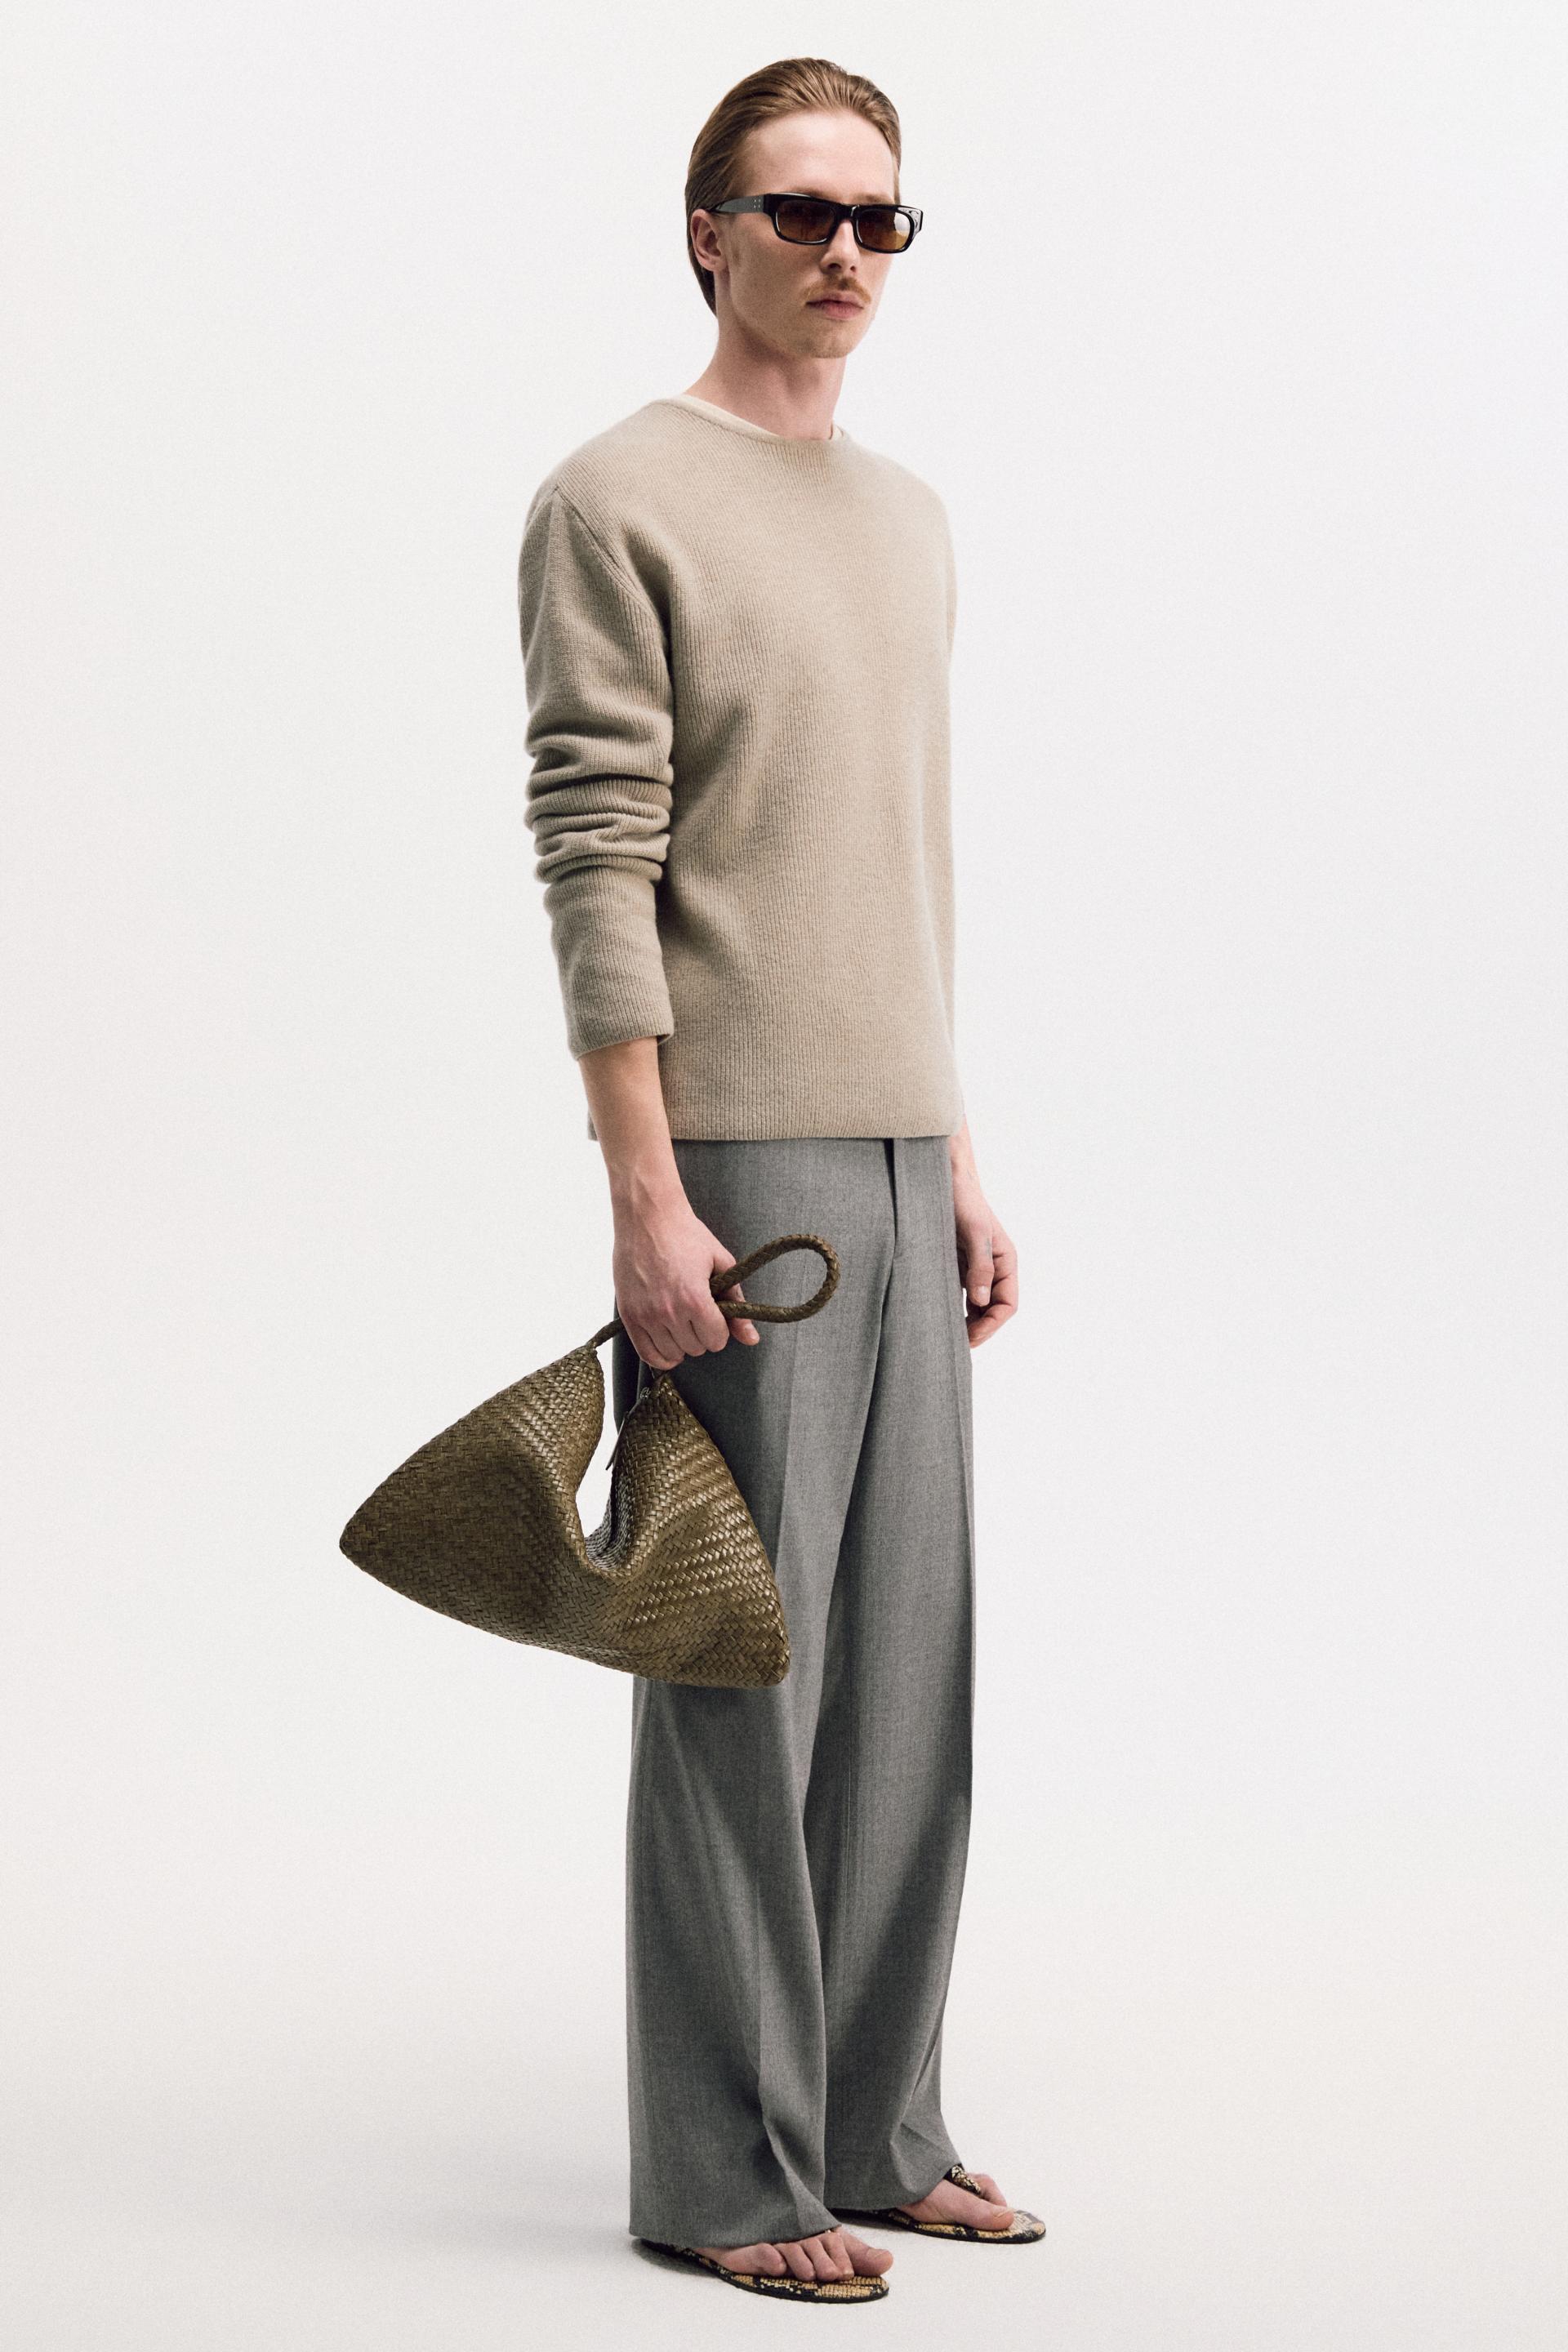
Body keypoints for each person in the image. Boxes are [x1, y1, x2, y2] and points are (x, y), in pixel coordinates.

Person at [515, 55, 1038, 2305]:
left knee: (908, 1671)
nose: (844, 252)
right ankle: (729, 2175)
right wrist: (645, 1194)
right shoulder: (615, 498)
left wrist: (959, 1153)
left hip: (902, 1155)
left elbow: (892, 868)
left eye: (878, 219)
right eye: (801, 210)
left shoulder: (909, 518)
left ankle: (876, 2124)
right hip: (736, 1162)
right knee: (744, 1664)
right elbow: (598, 855)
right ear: (706, 230)